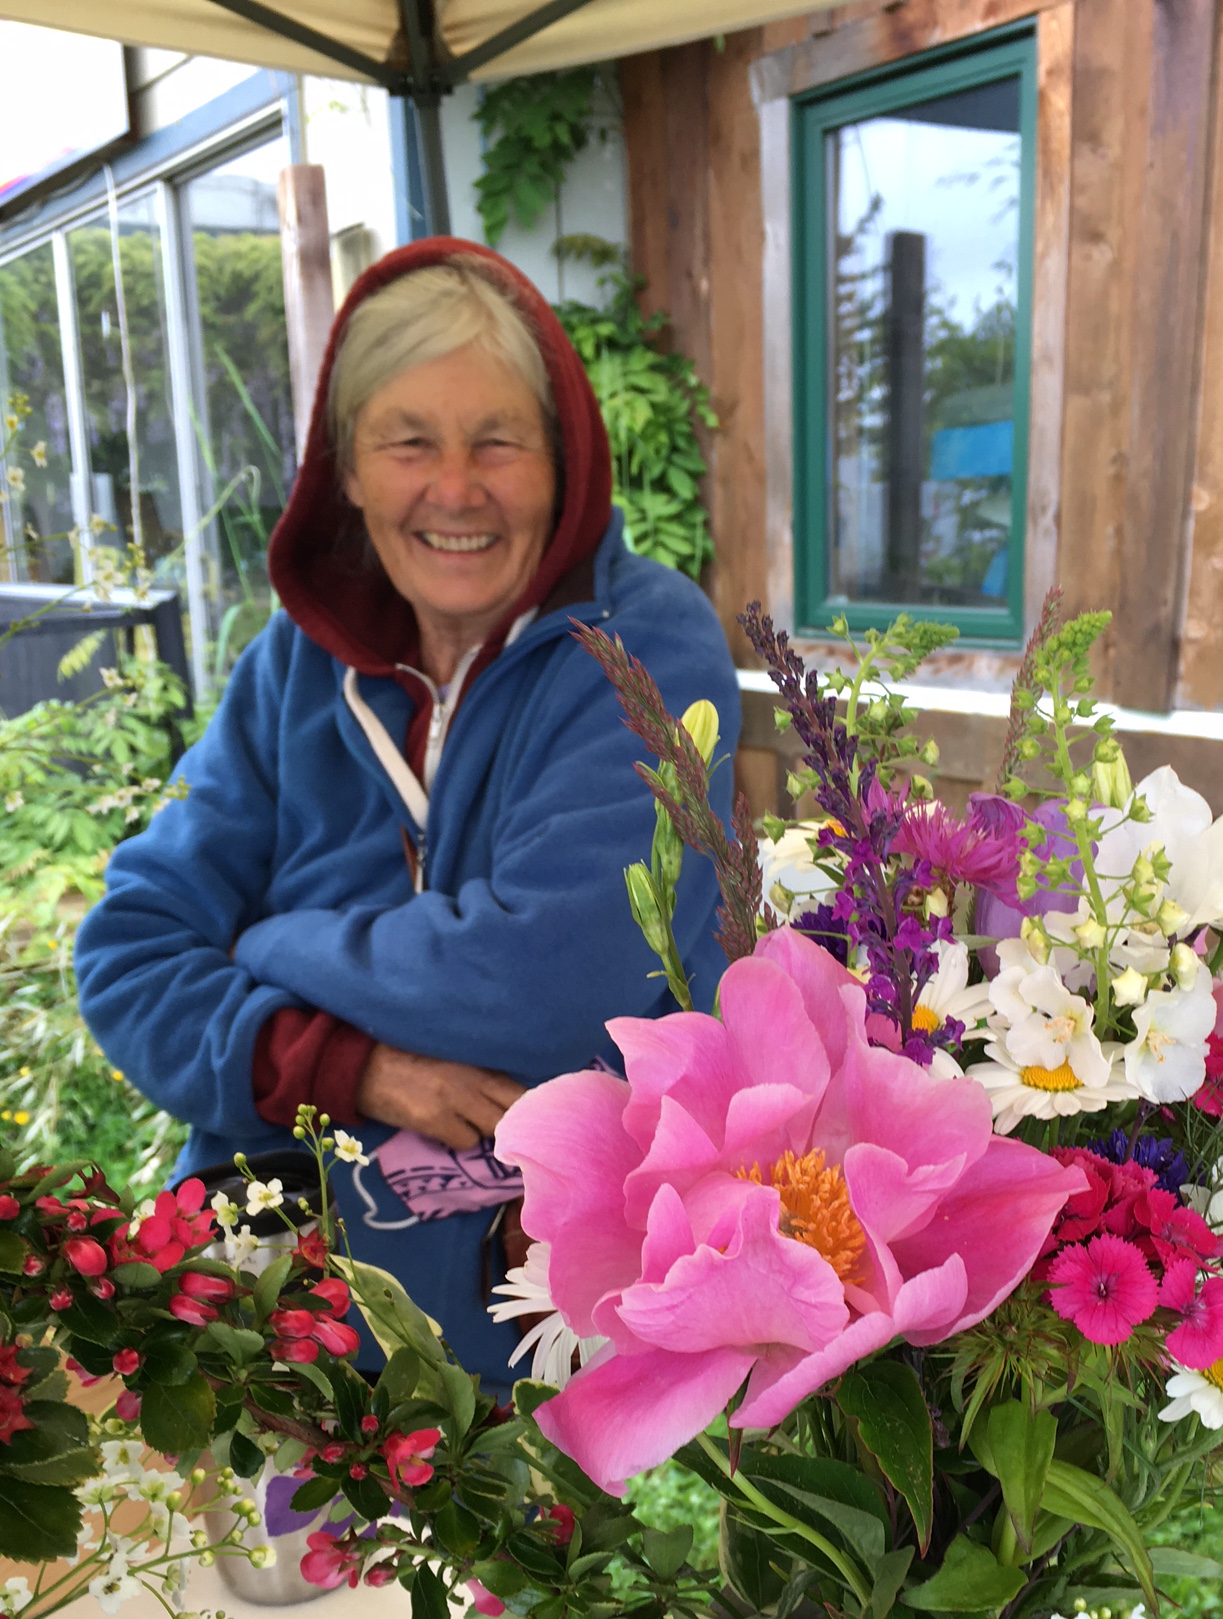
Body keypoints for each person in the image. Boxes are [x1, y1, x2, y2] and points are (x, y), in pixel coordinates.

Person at [74, 240, 739, 1387]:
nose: (456, 488)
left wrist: (269, 944)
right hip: (274, 1329)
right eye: (409, 442)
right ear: (347, 469)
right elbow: (129, 957)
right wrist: (346, 1065)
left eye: (498, 441)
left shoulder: (643, 646)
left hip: (544, 1350)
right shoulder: (291, 669)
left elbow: (546, 984)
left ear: (566, 460)